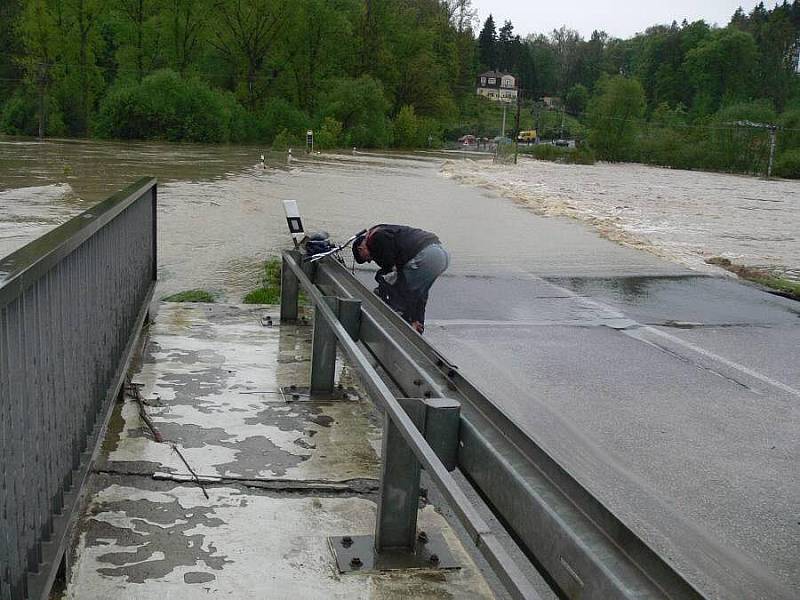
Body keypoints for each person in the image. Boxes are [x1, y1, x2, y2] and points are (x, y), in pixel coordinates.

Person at [352, 224, 449, 333]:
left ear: (360, 249)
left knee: (391, 286)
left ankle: (400, 329)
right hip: (441, 255)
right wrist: (416, 317)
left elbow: (389, 269)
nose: (370, 260)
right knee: (419, 292)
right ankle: (416, 326)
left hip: (426, 255)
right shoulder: (383, 230)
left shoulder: (375, 238)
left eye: (366, 259)